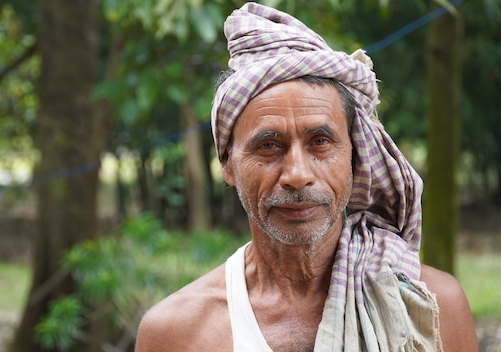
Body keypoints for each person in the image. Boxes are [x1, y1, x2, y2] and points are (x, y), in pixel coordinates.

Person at [135, 2, 478, 351]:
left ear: (354, 156)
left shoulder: (430, 308)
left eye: (320, 142)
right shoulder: (177, 334)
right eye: (269, 145)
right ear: (227, 163)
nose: (297, 175)